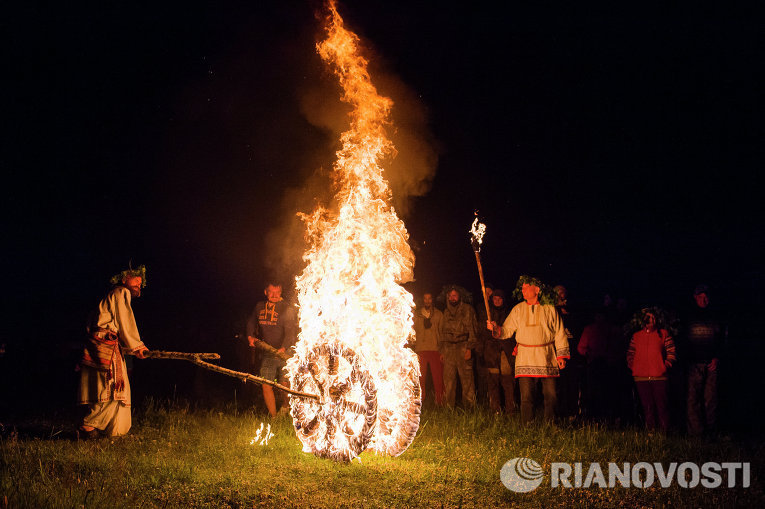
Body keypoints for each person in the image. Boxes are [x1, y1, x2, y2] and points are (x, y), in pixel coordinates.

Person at [77, 265, 149, 438]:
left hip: (101, 343)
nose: (138, 284)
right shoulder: (120, 292)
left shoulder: (108, 296)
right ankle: (89, 426)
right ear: (124, 279)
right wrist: (137, 345)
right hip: (106, 345)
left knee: (110, 385)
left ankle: (111, 430)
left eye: (141, 284)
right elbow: (125, 318)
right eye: (135, 280)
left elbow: (94, 322)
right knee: (112, 386)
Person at [488, 276, 570, 423]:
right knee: (526, 396)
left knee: (550, 395)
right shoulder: (518, 309)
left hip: (546, 356)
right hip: (525, 357)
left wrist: (561, 355)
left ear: (537, 290)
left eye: (526, 287)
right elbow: (507, 330)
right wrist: (495, 328)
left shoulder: (549, 308)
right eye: (522, 288)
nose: (523, 290)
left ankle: (550, 424)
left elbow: (559, 332)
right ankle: (527, 425)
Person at [246, 281, 297, 417]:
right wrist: (250, 336)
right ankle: (274, 417)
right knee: (266, 383)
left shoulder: (287, 308)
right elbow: (251, 321)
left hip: (285, 352)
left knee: (284, 383)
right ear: (266, 292)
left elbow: (290, 331)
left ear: (281, 292)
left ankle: (286, 406)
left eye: (277, 292)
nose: (274, 295)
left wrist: (284, 348)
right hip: (267, 351)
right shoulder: (260, 306)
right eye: (271, 292)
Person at [682, 284, 725, 437]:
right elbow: (682, 339)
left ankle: (711, 432)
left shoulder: (716, 315)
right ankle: (695, 434)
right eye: (701, 296)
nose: (704, 299)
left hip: (711, 364)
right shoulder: (687, 316)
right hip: (694, 364)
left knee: (710, 399)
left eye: (706, 296)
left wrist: (717, 357)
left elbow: (722, 339)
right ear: (695, 297)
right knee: (693, 400)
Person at [626, 308, 676, 433]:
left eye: (653, 318)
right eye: (648, 318)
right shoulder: (636, 336)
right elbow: (630, 354)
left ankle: (664, 433)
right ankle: (651, 433)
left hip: (659, 377)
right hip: (641, 378)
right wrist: (635, 366)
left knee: (662, 406)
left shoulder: (663, 334)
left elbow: (671, 352)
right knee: (647, 407)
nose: (650, 320)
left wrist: (664, 366)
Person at [438, 286, 478, 408]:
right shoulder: (445, 312)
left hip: (463, 346)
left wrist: (469, 348)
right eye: (450, 296)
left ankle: (469, 407)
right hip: (449, 349)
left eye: (455, 295)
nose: (452, 298)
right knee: (449, 381)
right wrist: (442, 351)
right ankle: (448, 407)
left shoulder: (468, 309)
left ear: (460, 296)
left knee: (467, 381)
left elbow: (473, 329)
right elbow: (442, 332)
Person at [482, 289, 517, 413]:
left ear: (503, 300)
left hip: (506, 353)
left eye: (499, 299)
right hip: (491, 353)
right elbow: (483, 334)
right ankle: (495, 410)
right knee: (493, 381)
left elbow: (511, 332)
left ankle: (510, 410)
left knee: (508, 382)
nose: (497, 301)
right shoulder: (487, 313)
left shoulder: (509, 313)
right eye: (495, 298)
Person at [412, 292, 444, 405]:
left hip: (435, 349)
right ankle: (420, 401)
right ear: (423, 300)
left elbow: (442, 332)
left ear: (432, 300)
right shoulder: (416, 314)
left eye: (429, 299)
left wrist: (443, 350)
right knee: (420, 378)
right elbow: (412, 332)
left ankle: (440, 401)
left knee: (438, 377)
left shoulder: (439, 314)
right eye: (425, 299)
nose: (427, 301)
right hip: (420, 349)